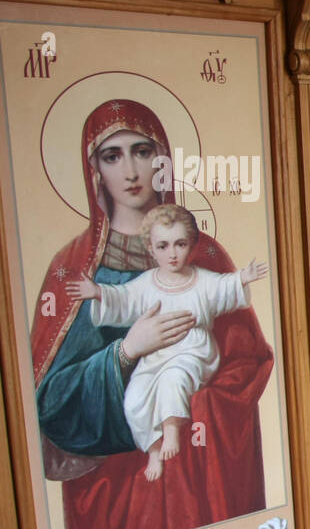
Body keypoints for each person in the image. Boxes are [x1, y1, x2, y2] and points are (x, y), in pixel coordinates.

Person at [31, 98, 273, 529]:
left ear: (161, 158)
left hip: (199, 474)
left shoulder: (205, 256)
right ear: (94, 170)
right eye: (112, 155)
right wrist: (125, 353)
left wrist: (196, 406)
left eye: (142, 151)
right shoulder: (74, 270)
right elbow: (52, 403)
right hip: (118, 492)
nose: (130, 170)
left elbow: (248, 360)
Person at [65, 204, 268, 481]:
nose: (172, 254)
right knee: (134, 399)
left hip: (193, 352)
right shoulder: (147, 283)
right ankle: (153, 448)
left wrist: (243, 277)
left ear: (192, 245)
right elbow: (124, 299)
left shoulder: (202, 280)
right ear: (150, 248)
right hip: (155, 356)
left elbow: (224, 287)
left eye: (179, 244)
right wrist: (98, 292)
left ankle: (171, 431)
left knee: (173, 381)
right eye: (163, 246)